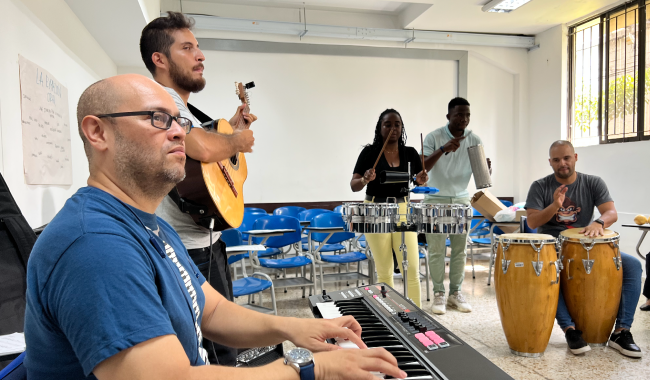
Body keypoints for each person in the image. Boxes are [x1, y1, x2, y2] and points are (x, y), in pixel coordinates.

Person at [24, 74, 405, 380]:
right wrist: (308, 368)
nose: (177, 133)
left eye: (179, 121)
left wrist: (294, 329)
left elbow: (212, 310)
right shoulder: (94, 244)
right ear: (97, 132)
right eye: (157, 118)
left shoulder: (150, 224)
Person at [140, 12, 256, 365]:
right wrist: (238, 141)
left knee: (221, 344)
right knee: (218, 350)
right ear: (159, 59)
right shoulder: (162, 99)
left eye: (199, 47)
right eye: (187, 48)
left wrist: (230, 130)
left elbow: (198, 152)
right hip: (187, 249)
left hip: (204, 241)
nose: (200, 55)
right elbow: (203, 149)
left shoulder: (181, 107)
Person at [525, 140, 642, 358]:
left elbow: (611, 212)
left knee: (633, 265)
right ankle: (570, 330)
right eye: (557, 159)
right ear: (550, 162)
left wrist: (599, 223)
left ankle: (622, 331)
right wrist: (554, 206)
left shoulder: (592, 182)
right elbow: (532, 222)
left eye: (567, 158)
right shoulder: (539, 186)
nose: (563, 163)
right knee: (551, 269)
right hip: (552, 247)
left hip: (586, 245)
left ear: (575, 157)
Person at [350, 109, 428, 307]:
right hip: (375, 208)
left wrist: (420, 181)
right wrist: (365, 178)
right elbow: (354, 185)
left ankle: (417, 316)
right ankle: (389, 314)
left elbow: (420, 181)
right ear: (380, 127)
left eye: (397, 124)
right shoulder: (369, 152)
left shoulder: (409, 153)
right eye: (388, 124)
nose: (393, 128)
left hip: (403, 208)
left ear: (402, 128)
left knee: (410, 267)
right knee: (384, 269)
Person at [422, 97, 490, 315]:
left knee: (460, 250)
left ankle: (455, 293)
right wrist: (442, 149)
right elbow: (422, 167)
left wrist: (487, 169)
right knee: (436, 250)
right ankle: (439, 293)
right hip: (435, 198)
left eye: (467, 114)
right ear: (448, 116)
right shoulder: (434, 136)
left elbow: (482, 180)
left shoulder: (474, 139)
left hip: (461, 198)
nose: (464, 119)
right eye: (459, 114)